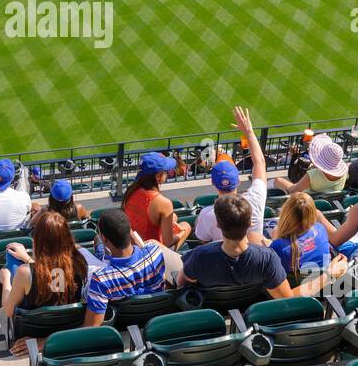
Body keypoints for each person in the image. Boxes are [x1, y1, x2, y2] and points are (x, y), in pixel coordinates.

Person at [180, 194, 345, 299]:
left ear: (217, 224)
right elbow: (287, 297)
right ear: (251, 223)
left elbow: (182, 283)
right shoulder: (267, 257)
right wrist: (329, 274)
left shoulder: (199, 255)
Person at [0, 210, 89, 353]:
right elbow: (56, 280)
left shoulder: (24, 273)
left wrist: (6, 282)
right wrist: (27, 259)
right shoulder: (79, 264)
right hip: (67, 331)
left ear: (38, 240)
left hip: (32, 336)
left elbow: (8, 311)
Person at [84, 208, 183, 325]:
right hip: (158, 317)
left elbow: (91, 326)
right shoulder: (155, 251)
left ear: (105, 238)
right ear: (130, 231)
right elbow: (142, 248)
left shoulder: (101, 279)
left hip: (124, 325)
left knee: (98, 244)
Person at [195, 106, 266, 243]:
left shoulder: (207, 214)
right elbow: (260, 163)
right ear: (239, 181)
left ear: (213, 184)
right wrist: (249, 132)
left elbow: (203, 241)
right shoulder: (255, 199)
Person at [122, 151, 191, 249]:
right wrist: (183, 231)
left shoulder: (131, 190)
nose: (167, 174)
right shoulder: (164, 203)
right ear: (158, 176)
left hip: (133, 246)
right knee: (186, 225)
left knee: (174, 216)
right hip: (151, 253)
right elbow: (168, 242)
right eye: (166, 171)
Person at [275, 134, 348, 195]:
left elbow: (293, 191)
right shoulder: (345, 172)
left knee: (277, 180)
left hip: (308, 200)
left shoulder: (313, 174)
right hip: (327, 200)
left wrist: (293, 186)